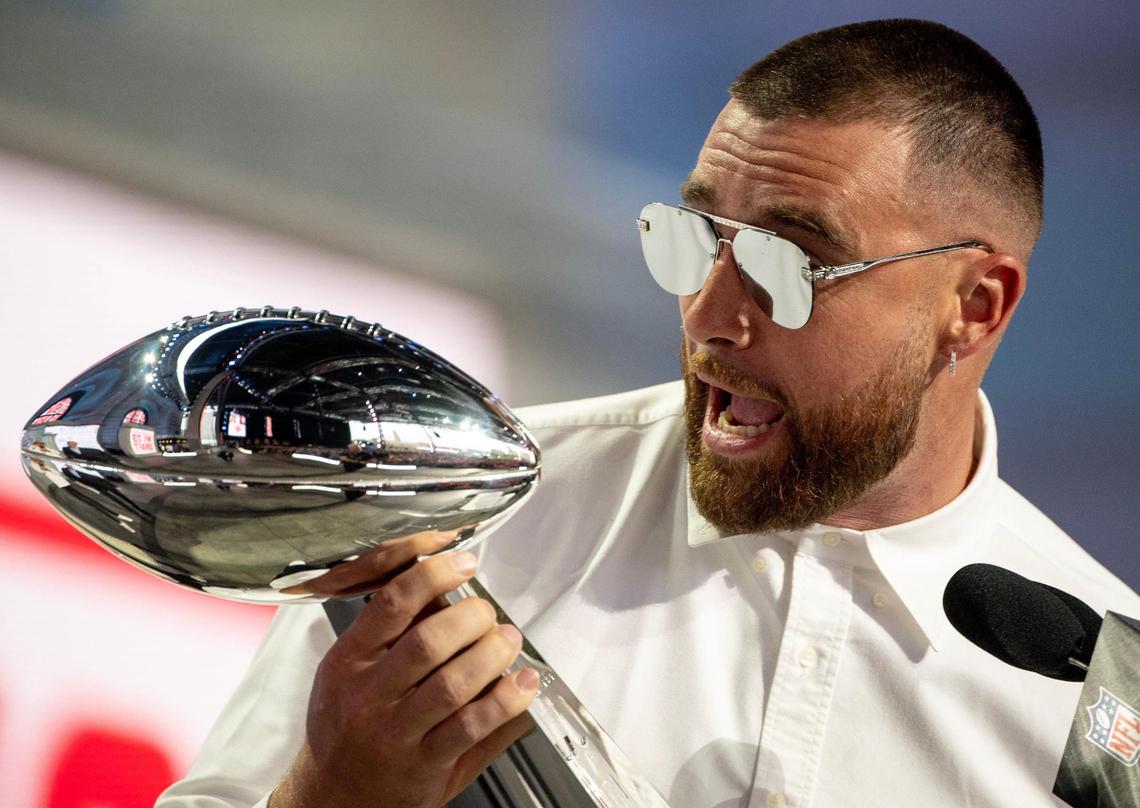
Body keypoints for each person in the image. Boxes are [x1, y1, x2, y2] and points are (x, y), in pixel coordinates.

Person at [158, 19, 1140, 808]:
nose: (710, 315)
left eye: (786, 264)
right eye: (696, 237)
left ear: (974, 307)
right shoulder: (464, 514)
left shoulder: (1111, 697)